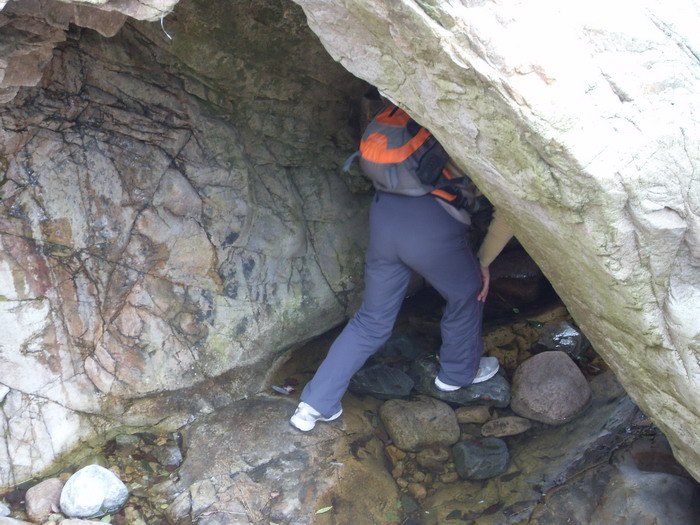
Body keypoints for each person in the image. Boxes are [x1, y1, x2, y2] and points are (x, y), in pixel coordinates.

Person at [290, 109, 514, 432]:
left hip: (385, 216)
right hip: (432, 226)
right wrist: (483, 262)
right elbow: (508, 214)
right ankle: (457, 374)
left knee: (371, 320)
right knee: (468, 292)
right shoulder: (489, 144)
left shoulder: (425, 117)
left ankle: (313, 405)